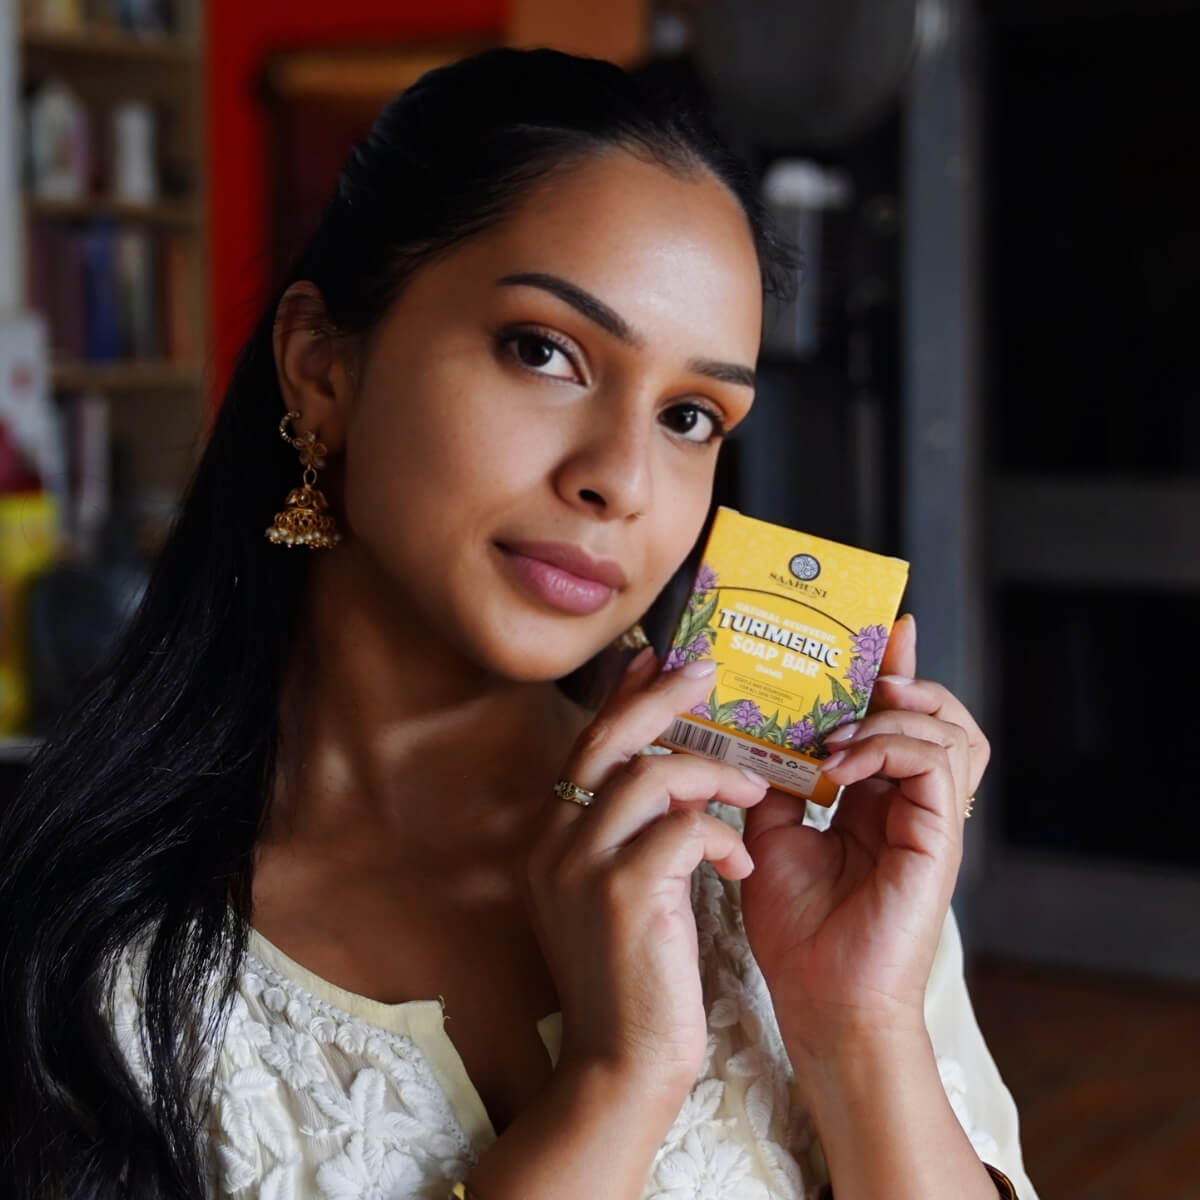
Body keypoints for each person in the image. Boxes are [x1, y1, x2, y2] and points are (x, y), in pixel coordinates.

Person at [0, 47, 1037, 1200]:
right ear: (322, 369)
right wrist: (619, 1079)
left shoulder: (789, 862)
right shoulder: (85, 954)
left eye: (691, 415)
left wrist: (859, 1027)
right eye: (545, 352)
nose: (622, 480)